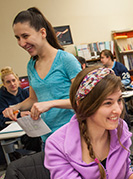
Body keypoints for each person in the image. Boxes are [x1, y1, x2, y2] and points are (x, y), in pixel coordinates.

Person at [2, 7, 81, 142]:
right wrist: (16, 107)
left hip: (73, 135)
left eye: (25, 36)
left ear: (42, 32)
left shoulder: (66, 60)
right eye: (18, 38)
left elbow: (83, 101)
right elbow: (33, 99)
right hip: (48, 138)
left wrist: (50, 104)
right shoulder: (31, 65)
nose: (21, 43)